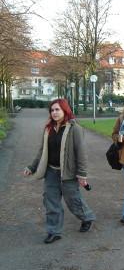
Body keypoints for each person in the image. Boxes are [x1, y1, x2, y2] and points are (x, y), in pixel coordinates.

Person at [23, 99, 95, 244]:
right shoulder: (48, 128)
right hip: (51, 172)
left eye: (57, 110)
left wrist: (82, 175)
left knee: (73, 200)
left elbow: (81, 153)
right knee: (51, 202)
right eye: (52, 110)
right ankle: (54, 231)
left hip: (68, 173)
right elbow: (42, 151)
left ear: (65, 110)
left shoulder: (74, 129)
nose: (54, 113)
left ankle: (87, 217)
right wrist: (32, 167)